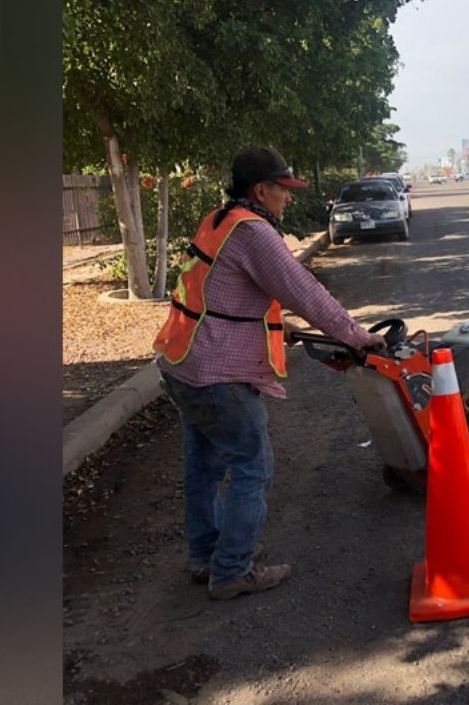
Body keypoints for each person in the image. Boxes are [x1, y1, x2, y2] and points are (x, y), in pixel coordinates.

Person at [152, 146, 386, 600]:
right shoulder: (256, 233)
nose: (289, 198)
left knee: (202, 467)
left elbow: (221, 293)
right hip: (216, 373)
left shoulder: (220, 219)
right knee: (252, 465)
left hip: (181, 361)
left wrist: (284, 328)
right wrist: (359, 337)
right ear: (261, 190)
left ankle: (207, 557)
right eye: (284, 189)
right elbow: (307, 293)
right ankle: (233, 570)